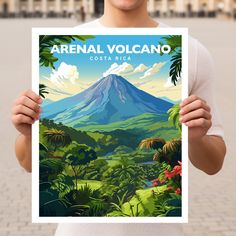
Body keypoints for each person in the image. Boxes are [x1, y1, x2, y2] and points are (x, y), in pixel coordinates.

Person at [12, 0, 226, 235]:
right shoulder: (56, 46)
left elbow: (213, 164)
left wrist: (196, 138)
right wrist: (29, 133)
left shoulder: (192, 51)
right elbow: (28, 164)